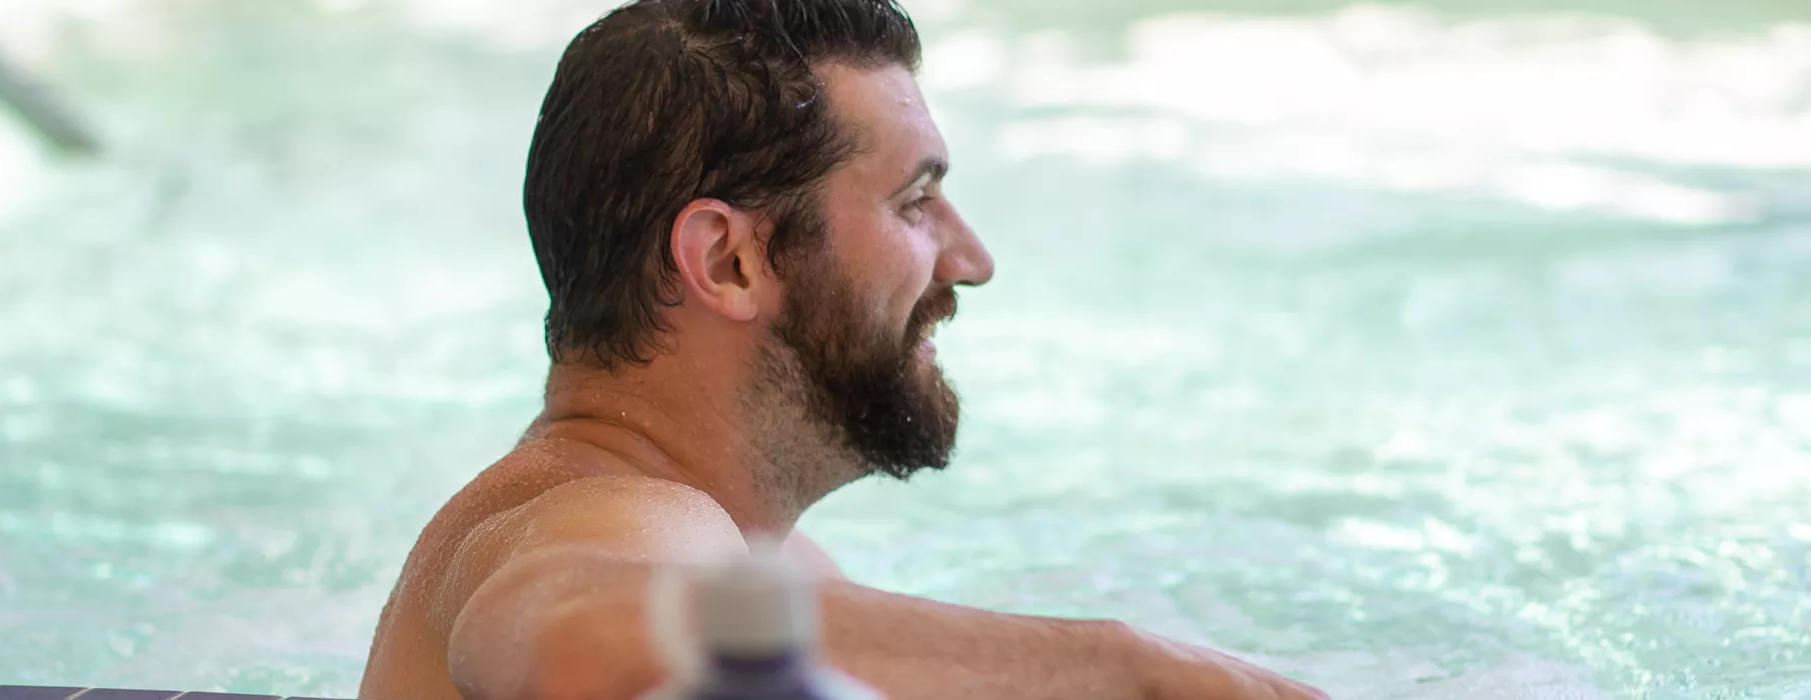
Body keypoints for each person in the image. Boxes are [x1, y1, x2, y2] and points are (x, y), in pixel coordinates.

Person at [359, 1, 1328, 698]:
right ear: (730, 260)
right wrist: (1130, 669)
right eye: (914, 201)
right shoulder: (609, 518)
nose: (973, 259)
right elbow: (577, 635)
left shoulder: (770, 558)